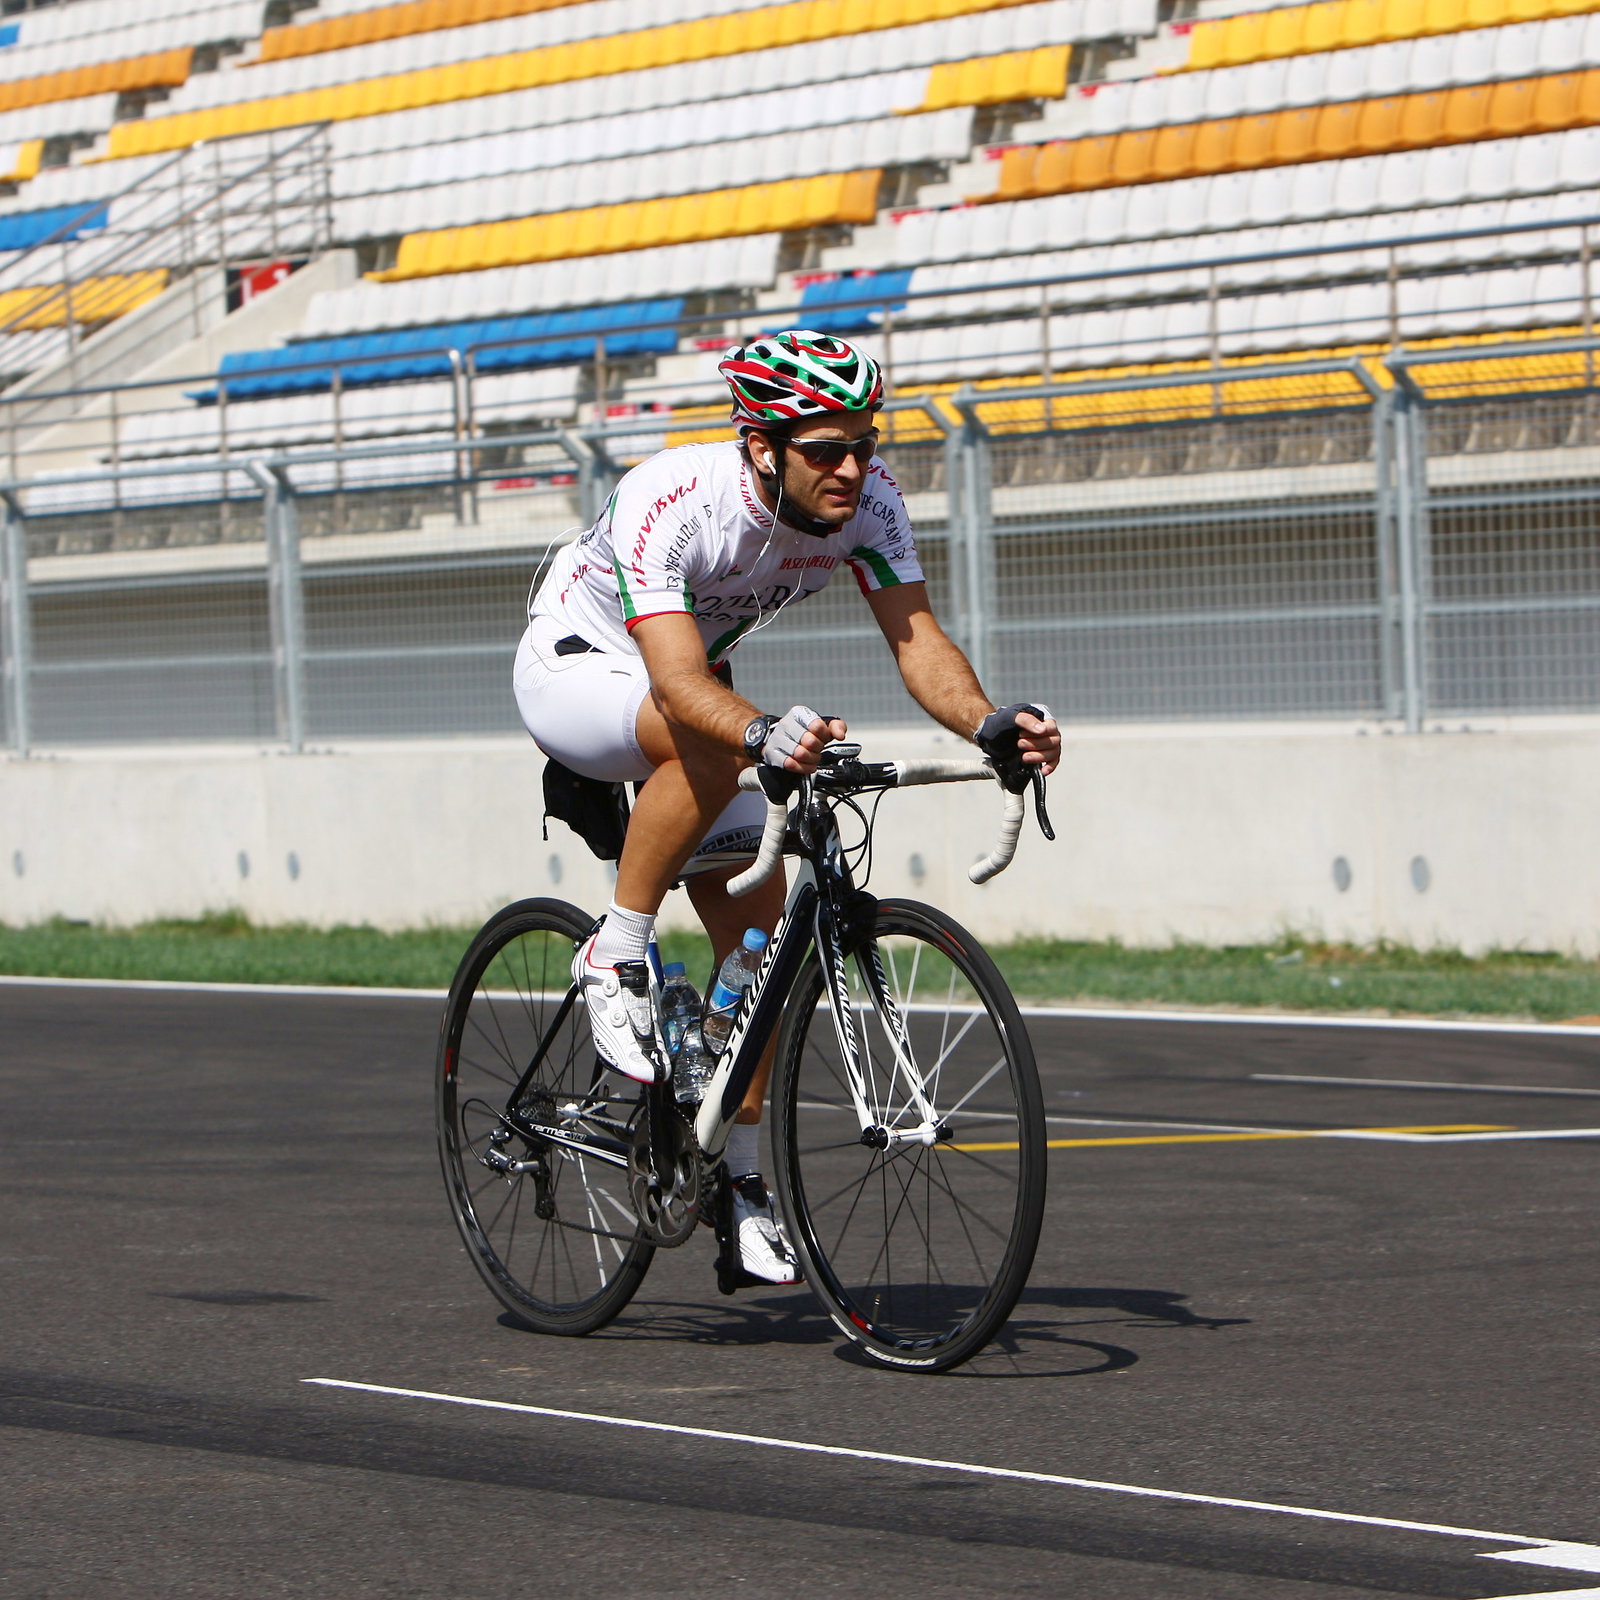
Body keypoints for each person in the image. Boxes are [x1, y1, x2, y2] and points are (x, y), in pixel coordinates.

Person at [513, 329, 1060, 1286]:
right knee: (713, 739)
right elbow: (678, 683)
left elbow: (917, 640)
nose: (852, 467)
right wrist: (761, 732)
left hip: (689, 689)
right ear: (762, 447)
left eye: (865, 444)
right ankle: (614, 949)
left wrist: (987, 723)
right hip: (580, 665)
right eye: (826, 450)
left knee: (760, 948)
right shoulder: (676, 498)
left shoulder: (870, 503)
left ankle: (739, 1180)